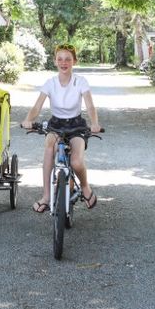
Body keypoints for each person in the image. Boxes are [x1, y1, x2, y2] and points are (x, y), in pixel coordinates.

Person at [21, 43, 102, 213]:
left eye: (68, 59)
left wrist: (94, 123)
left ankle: (85, 187)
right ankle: (46, 196)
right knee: (50, 147)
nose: (64, 62)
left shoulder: (80, 81)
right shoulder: (50, 83)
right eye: (60, 59)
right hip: (56, 124)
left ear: (74, 61)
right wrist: (28, 119)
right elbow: (37, 107)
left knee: (77, 161)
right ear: (55, 61)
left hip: (76, 125)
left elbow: (90, 106)